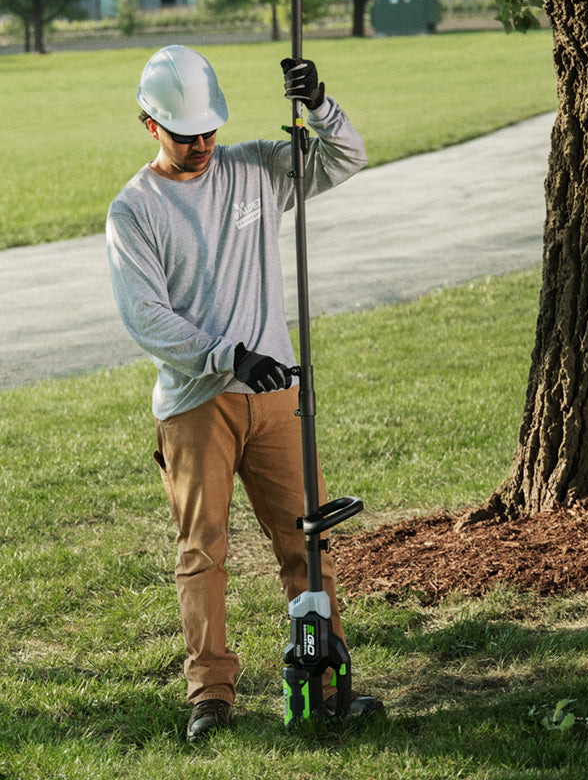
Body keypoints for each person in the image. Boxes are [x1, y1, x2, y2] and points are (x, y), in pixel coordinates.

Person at [105, 44, 379, 741]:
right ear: (149, 125)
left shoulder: (257, 168)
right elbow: (146, 318)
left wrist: (319, 103)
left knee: (306, 540)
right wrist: (225, 355)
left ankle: (326, 680)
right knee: (204, 548)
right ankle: (211, 697)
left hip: (277, 395)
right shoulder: (134, 211)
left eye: (208, 131)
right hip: (198, 403)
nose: (200, 145)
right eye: (183, 134)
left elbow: (347, 158)